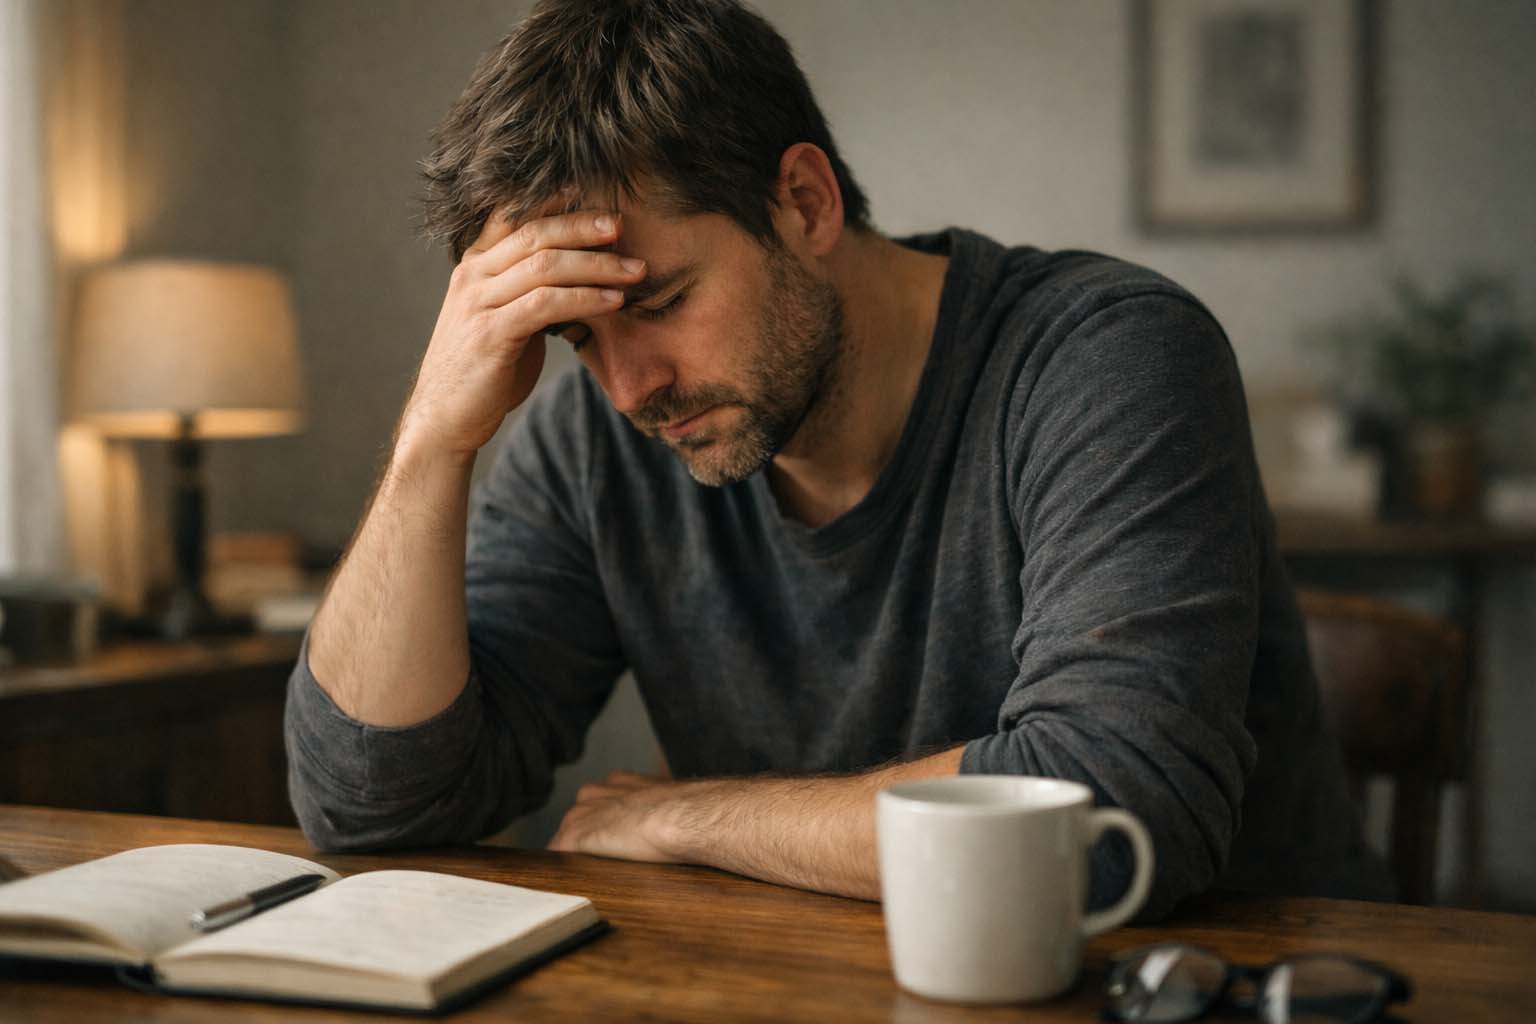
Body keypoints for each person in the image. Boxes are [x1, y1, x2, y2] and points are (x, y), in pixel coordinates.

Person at [285, 0, 1383, 920]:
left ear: (803, 202)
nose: (629, 387)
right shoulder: (597, 441)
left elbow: (1111, 812)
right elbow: (371, 807)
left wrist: (682, 815)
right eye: (575, 335)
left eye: (661, 302)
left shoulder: (1107, 356)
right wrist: (433, 439)